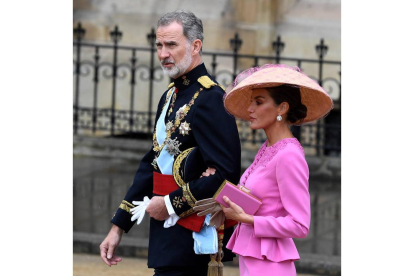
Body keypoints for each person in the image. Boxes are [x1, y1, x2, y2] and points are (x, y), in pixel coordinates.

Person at [99, 10, 241, 276]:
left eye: (171, 45)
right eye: (159, 45)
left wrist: (167, 204)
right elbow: (151, 165)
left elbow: (226, 174)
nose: (163, 54)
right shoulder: (170, 95)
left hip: (193, 235)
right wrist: (118, 226)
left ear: (195, 46)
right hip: (165, 235)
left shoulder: (210, 99)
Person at [200, 64, 333, 275]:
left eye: (259, 102)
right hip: (255, 259)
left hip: (270, 264)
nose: (250, 109)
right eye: (252, 102)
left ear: (282, 108)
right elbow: (261, 201)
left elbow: (299, 224)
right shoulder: (269, 147)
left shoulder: (289, 155)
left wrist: (248, 219)